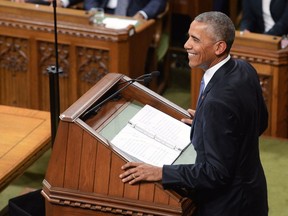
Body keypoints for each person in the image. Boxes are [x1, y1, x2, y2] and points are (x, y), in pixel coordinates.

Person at [119, 11, 269, 216]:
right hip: (253, 193)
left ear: (219, 47)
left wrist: (161, 172)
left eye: (195, 40)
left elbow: (216, 174)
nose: (186, 45)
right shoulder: (244, 68)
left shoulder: (217, 102)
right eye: (189, 36)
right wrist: (208, 124)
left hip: (230, 206)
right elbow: (259, 123)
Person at [83, 0, 167, 20]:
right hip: (103, 15)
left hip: (134, 17)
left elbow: (159, 1)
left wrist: (143, 14)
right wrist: (93, 10)